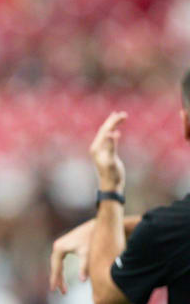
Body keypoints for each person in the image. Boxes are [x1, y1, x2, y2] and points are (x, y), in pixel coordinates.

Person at [49, 71, 190, 304]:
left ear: (186, 123)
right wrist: (115, 227)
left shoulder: (171, 229)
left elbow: (107, 297)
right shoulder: (171, 228)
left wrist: (110, 189)